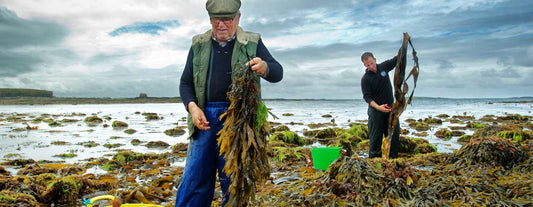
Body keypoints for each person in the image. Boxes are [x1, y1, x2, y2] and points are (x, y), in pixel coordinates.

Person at [175, 0, 283, 206]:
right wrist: (192, 107)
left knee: (234, 182)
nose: (221, 25)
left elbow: (278, 72)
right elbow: (185, 83)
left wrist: (265, 67)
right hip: (203, 119)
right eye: (216, 20)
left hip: (238, 123)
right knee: (195, 179)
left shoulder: (252, 42)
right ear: (210, 20)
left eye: (227, 19)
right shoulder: (198, 44)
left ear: (238, 18)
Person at [359, 33, 409, 159]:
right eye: (367, 65)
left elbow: (397, 59)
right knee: (375, 139)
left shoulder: (383, 67)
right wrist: (379, 107)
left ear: (374, 59)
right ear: (364, 66)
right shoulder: (365, 79)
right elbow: (367, 98)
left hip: (391, 110)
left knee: (393, 135)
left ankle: (392, 161)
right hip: (376, 111)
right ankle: (374, 162)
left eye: (371, 63)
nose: (371, 66)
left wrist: (405, 44)